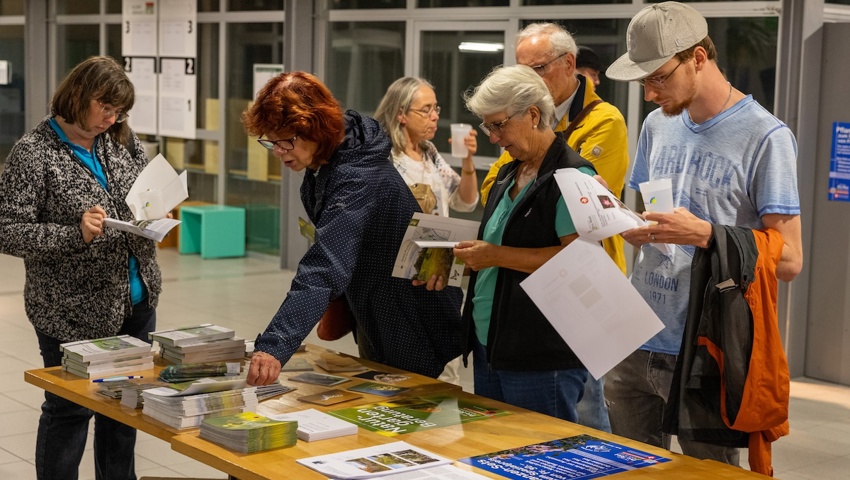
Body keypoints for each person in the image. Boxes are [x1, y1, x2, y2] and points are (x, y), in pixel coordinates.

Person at [603, 1, 803, 465]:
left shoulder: (766, 137)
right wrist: (623, 220)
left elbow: (790, 260)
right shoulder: (657, 124)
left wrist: (707, 234)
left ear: (697, 57)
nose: (649, 94)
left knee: (708, 474)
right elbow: (654, 214)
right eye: (643, 81)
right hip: (635, 335)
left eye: (658, 78)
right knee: (629, 471)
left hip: (705, 345)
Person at [242, 72, 464, 386]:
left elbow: (325, 266)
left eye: (286, 140)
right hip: (378, 310)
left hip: (412, 323)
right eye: (271, 142)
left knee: (415, 410)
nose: (278, 151)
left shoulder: (357, 176)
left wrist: (275, 345)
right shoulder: (330, 160)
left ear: (317, 129)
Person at [0, 56, 163, 480]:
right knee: (70, 411)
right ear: (77, 95)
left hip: (135, 300)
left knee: (124, 408)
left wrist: (156, 212)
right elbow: (7, 231)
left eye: (119, 112)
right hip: (70, 311)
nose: (111, 119)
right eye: (105, 108)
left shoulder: (121, 139)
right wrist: (75, 233)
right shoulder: (34, 153)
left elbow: (144, 192)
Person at [480, 22, 629, 433]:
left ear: (569, 64)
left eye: (539, 68)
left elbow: (582, 198)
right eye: (522, 69)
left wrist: (496, 253)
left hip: (564, 318)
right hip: (505, 329)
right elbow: (491, 189)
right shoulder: (517, 153)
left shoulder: (603, 121)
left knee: (580, 426)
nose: (531, 78)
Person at [454, 64, 597, 423]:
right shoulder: (508, 172)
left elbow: (578, 258)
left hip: (539, 353)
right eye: (487, 127)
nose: (493, 137)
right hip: (491, 344)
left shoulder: (572, 175)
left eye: (499, 125)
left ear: (533, 115)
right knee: (492, 448)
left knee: (543, 451)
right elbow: (495, 248)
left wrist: (495, 256)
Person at [373, 77, 479, 385]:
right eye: (426, 110)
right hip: (399, 278)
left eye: (436, 109)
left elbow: (466, 201)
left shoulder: (429, 152)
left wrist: (468, 161)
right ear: (401, 114)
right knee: (402, 371)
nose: (434, 117)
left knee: (445, 367)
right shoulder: (384, 158)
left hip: (439, 271)